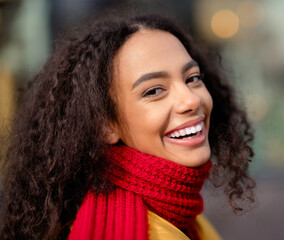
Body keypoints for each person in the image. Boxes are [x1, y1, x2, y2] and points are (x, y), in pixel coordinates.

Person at [0, 14, 255, 240]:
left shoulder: (186, 216)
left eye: (193, 78)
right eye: (154, 90)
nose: (191, 99)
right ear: (106, 125)